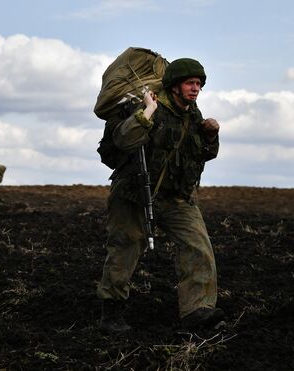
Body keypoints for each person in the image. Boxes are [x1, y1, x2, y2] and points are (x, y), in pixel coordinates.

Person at [96, 58, 224, 333]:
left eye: (199, 84)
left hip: (177, 198)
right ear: (175, 86)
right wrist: (148, 111)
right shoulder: (148, 105)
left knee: (198, 247)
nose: (196, 89)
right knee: (125, 248)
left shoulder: (193, 114)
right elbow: (124, 140)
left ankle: (198, 310)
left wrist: (212, 136)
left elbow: (201, 153)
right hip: (135, 193)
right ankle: (112, 312)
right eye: (190, 83)